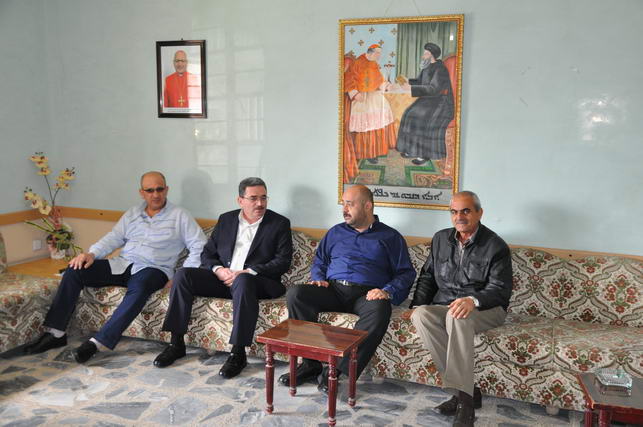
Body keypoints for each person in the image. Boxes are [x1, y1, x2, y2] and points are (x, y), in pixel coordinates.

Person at [23, 172, 207, 363]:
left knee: (141, 287)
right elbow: (113, 238)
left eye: (160, 189)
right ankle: (56, 333)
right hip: (123, 264)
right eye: (150, 190)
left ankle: (97, 343)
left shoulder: (180, 216)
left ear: (166, 190)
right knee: (75, 270)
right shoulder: (133, 214)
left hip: (154, 269)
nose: (155, 194)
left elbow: (199, 245)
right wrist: (91, 254)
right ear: (142, 192)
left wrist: (180, 275)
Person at [280, 185, 416, 392]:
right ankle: (309, 364)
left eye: (350, 204)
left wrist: (387, 290)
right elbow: (320, 261)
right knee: (297, 294)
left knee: (380, 309)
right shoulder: (335, 232)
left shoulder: (390, 237)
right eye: (343, 204)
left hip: (367, 294)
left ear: (367, 206)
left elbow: (406, 273)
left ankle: (338, 372)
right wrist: (318, 278)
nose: (344, 209)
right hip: (333, 290)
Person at [153, 177, 293, 379]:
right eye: (253, 198)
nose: (260, 203)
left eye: (263, 198)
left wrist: (249, 272)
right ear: (240, 200)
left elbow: (282, 262)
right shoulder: (226, 219)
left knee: (243, 281)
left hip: (257, 282)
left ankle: (238, 354)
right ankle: (176, 344)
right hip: (224, 279)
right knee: (183, 275)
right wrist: (218, 270)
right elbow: (207, 254)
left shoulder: (279, 223)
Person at [407, 191, 512, 427]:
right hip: (447, 305)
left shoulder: (495, 246)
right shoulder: (440, 239)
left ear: (479, 213)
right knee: (421, 315)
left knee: (458, 317)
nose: (459, 217)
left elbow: (500, 290)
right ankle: (468, 392)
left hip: (488, 309)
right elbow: (428, 276)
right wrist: (417, 304)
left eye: (465, 211)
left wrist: (472, 300)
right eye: (454, 212)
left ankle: (464, 402)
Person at [396, 42, 454, 166]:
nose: (423, 55)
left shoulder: (440, 69)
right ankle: (411, 150)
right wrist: (408, 81)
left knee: (419, 117)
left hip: (440, 102)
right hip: (428, 100)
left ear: (432, 55)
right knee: (408, 113)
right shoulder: (427, 67)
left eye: (426, 53)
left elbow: (433, 89)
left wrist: (411, 89)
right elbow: (420, 81)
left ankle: (423, 155)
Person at [344, 45, 397, 165]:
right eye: (378, 53)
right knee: (366, 122)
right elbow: (348, 79)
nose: (379, 56)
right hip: (361, 96)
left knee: (380, 116)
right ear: (370, 52)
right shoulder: (357, 62)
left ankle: (377, 150)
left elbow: (379, 80)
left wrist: (387, 86)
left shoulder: (374, 64)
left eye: (380, 53)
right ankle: (367, 152)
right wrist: (354, 93)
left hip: (374, 95)